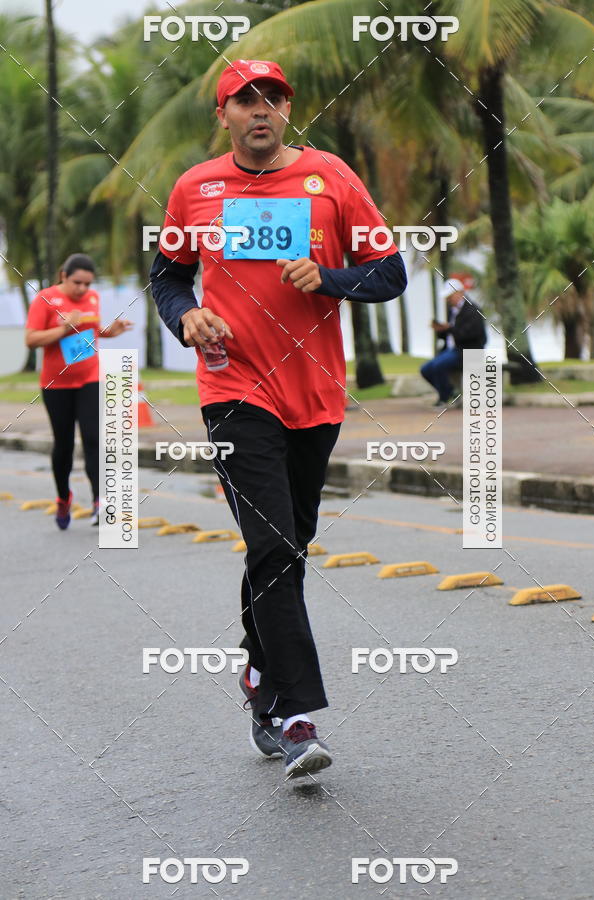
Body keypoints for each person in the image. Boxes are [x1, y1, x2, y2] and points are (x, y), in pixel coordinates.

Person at [150, 59, 407, 779]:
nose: (260, 110)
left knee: (284, 548)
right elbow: (167, 275)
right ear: (222, 114)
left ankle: (259, 677)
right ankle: (297, 717)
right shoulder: (194, 188)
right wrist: (186, 315)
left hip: (315, 395)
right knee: (272, 545)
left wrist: (328, 278)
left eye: (273, 98)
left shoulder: (332, 179)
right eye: (245, 100)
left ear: (287, 110)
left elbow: (390, 274)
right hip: (233, 389)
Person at [25, 253, 133, 529]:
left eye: (87, 283)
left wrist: (111, 331)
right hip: (56, 383)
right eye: (77, 283)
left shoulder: (93, 298)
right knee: (64, 445)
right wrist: (62, 328)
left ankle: (100, 501)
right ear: (63, 275)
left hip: (90, 377)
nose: (83, 289)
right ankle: (63, 497)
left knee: (94, 437)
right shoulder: (45, 299)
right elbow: (31, 339)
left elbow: (92, 330)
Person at [420, 276, 487, 406]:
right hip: (453, 350)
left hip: (468, 351)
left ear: (460, 293)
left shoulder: (473, 310)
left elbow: (470, 335)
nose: (449, 300)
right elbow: (451, 335)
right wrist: (441, 330)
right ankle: (450, 391)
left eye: (450, 296)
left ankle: (443, 398)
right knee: (426, 369)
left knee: (438, 366)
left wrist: (449, 328)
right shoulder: (453, 311)